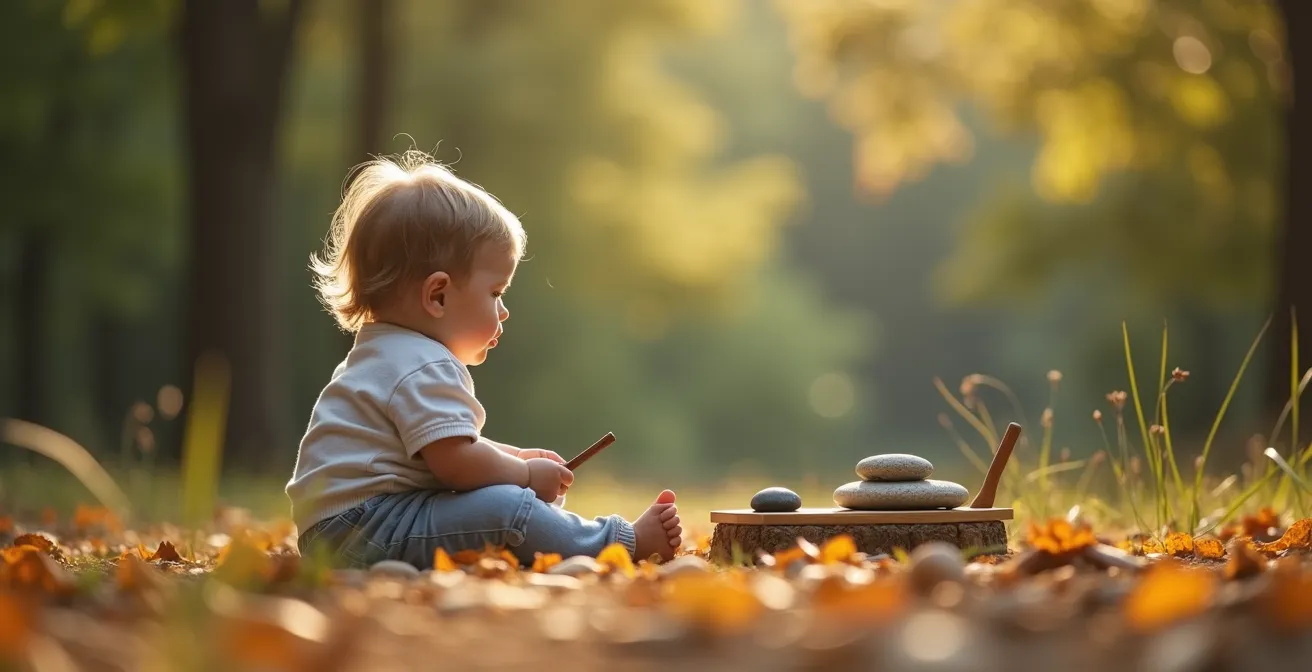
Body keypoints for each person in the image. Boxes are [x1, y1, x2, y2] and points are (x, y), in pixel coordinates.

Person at [286, 150, 682, 568]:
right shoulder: (425, 363)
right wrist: (524, 476)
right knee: (507, 507)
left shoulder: (381, 353)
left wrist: (516, 458)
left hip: (337, 530)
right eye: (495, 293)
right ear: (438, 295)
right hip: (371, 526)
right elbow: (456, 464)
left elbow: (443, 445)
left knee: (502, 496)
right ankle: (622, 542)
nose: (503, 311)